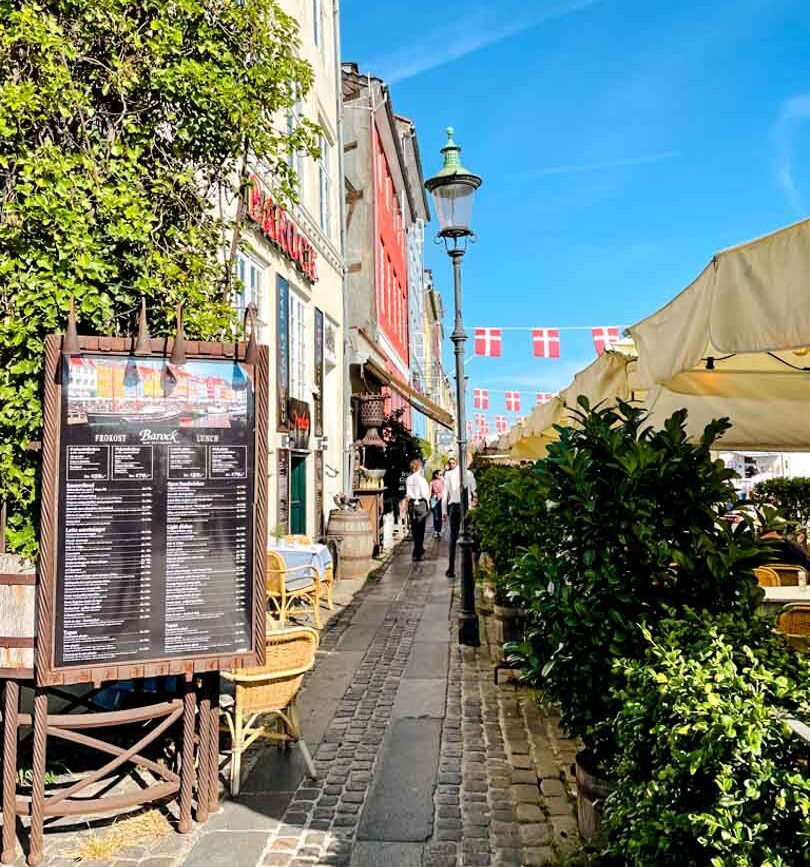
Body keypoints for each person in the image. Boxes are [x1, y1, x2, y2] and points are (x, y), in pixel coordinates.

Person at [441, 457, 477, 578]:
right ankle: (470, 568)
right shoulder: (469, 474)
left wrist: (444, 511)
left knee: (453, 536)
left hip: (453, 507)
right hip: (466, 506)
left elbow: (445, 495)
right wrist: (473, 506)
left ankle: (451, 568)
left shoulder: (449, 474)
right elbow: (474, 493)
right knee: (469, 535)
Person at [405, 457, 430, 561]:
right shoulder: (421, 479)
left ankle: (417, 550)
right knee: (421, 528)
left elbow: (408, 493)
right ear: (419, 467)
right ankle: (418, 551)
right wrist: (428, 503)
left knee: (414, 528)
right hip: (420, 503)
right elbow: (425, 493)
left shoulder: (408, 478)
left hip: (411, 504)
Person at [430, 469, 444, 538]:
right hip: (434, 500)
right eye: (440, 474)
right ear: (436, 475)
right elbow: (429, 492)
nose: (441, 476)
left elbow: (445, 491)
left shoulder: (443, 482)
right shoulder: (432, 482)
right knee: (435, 516)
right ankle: (435, 531)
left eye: (442, 474)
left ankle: (439, 531)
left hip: (441, 500)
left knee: (440, 516)